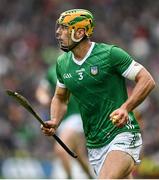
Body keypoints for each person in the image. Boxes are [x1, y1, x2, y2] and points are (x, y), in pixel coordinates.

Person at [41, 9, 155, 179]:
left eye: (64, 28)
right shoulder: (62, 64)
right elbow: (60, 97)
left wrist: (125, 108)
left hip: (122, 134)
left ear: (80, 32)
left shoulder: (110, 54)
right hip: (95, 144)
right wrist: (55, 120)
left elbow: (147, 80)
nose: (58, 32)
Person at [36, 64, 94, 178]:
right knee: (79, 157)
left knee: (60, 150)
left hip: (77, 115)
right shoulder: (54, 70)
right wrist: (44, 99)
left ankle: (69, 178)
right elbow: (41, 90)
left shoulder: (84, 65)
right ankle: (91, 178)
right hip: (62, 119)